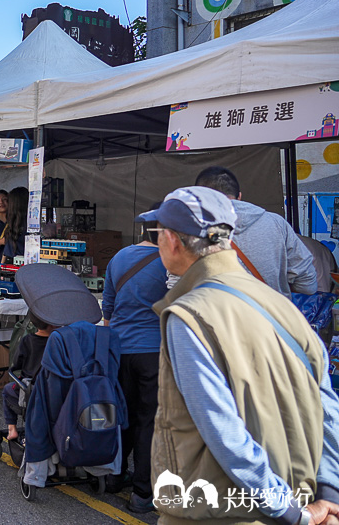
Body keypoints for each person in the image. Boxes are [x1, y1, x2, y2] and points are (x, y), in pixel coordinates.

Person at [141, 187, 339, 522]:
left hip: (221, 511)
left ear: (172, 241)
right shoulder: (282, 307)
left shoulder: (189, 315)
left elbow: (223, 429)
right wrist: (329, 491)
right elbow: (327, 406)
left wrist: (287, 510)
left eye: (158, 232)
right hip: (298, 498)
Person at [100, 202, 167, 510]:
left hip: (120, 350)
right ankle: (142, 493)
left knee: (121, 417)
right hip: (154, 352)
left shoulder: (120, 257)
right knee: (148, 422)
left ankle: (114, 476)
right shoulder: (170, 262)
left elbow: (108, 309)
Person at [195, 166, 316, 298]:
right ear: (239, 196)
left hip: (217, 311)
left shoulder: (192, 231)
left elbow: (181, 286)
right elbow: (307, 284)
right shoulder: (277, 223)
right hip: (270, 310)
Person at [2, 314, 55, 441]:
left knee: (7, 390)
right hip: (53, 390)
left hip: (30, 390)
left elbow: (16, 363)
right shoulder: (57, 342)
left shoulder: (28, 340)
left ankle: (12, 429)